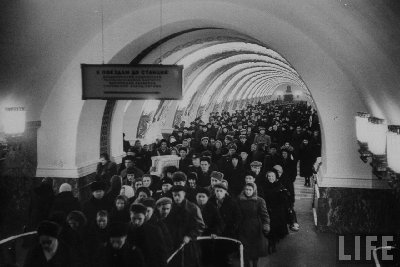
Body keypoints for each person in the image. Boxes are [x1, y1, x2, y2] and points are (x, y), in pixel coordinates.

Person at [165, 185, 205, 267]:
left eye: (178, 195)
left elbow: (200, 226)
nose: (176, 198)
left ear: (184, 194)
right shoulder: (170, 208)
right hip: (174, 243)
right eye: (174, 195)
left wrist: (189, 236)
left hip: (188, 245)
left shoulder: (193, 208)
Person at [208, 183, 241, 267]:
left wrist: (232, 228)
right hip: (214, 233)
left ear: (225, 192)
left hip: (227, 232)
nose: (219, 193)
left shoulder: (231, 202)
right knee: (214, 256)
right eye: (217, 191)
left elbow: (237, 217)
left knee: (226, 255)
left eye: (221, 191)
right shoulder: (210, 201)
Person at [237, 183, 270, 267]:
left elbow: (264, 215)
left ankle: (255, 265)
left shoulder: (259, 201)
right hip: (243, 227)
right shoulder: (239, 199)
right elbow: (236, 213)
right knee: (244, 249)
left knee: (255, 249)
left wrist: (266, 225)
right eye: (246, 189)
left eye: (250, 190)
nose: (248, 192)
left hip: (255, 227)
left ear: (254, 190)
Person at [261, 170, 289, 254]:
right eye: (269, 176)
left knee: (275, 228)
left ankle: (273, 244)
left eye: (272, 176)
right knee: (270, 228)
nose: (270, 178)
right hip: (267, 210)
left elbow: (285, 200)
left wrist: (283, 194)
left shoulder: (280, 186)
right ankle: (271, 244)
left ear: (276, 177)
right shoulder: (264, 186)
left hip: (277, 211)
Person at [196, 187, 224, 267]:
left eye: (203, 197)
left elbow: (219, 223)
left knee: (207, 259)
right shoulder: (192, 207)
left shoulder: (212, 208)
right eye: (199, 196)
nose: (201, 199)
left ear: (207, 198)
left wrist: (215, 232)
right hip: (195, 237)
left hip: (207, 237)